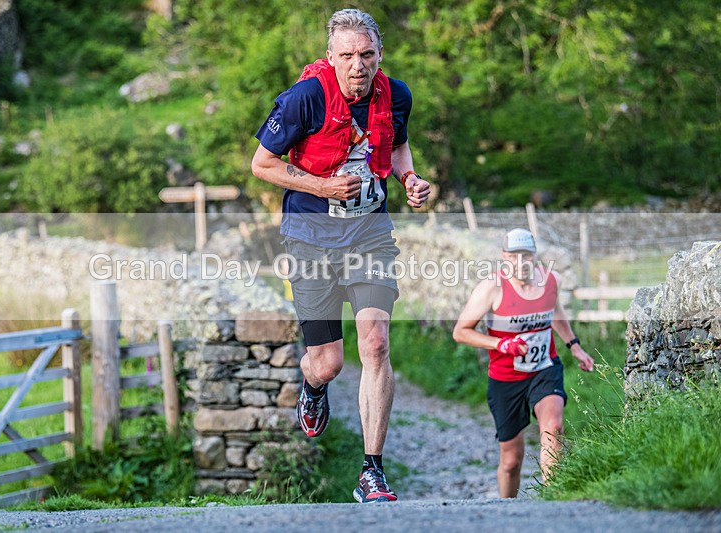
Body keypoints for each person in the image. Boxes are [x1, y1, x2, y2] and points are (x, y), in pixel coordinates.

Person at [251, 8, 430, 503]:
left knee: (374, 345)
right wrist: (323, 184)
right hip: (311, 237)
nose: (359, 65)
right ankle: (313, 383)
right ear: (331, 57)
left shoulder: (396, 96)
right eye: (348, 55)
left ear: (379, 55)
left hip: (370, 233)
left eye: (367, 54)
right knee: (327, 363)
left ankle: (372, 470)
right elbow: (262, 164)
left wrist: (409, 179)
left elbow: (396, 148)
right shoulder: (306, 97)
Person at [452, 228, 594, 498]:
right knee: (511, 460)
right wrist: (501, 344)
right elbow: (460, 332)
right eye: (514, 256)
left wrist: (574, 346)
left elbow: (555, 312)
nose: (520, 262)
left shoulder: (551, 281)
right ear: (504, 257)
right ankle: (509, 510)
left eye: (526, 256)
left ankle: (552, 498)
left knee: (553, 426)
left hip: (544, 368)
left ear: (534, 256)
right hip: (506, 378)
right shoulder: (491, 289)